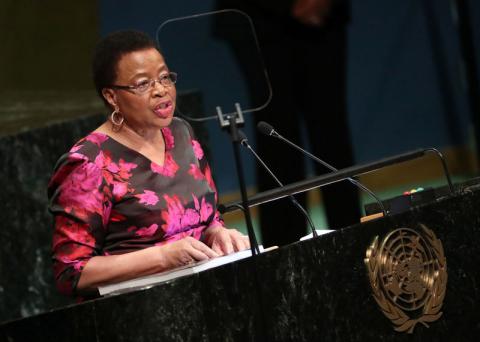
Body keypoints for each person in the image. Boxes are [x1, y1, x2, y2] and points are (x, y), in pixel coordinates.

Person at [47, 30, 249, 298]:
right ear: (111, 96)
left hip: (203, 295)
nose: (161, 90)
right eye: (143, 84)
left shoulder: (181, 133)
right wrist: (162, 257)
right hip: (138, 310)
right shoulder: (89, 163)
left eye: (165, 77)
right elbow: (71, 272)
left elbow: (209, 217)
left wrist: (216, 233)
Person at [214, 0, 360, 246]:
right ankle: (285, 252)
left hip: (324, 18)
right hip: (260, 19)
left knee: (331, 132)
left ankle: (354, 240)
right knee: (276, 137)